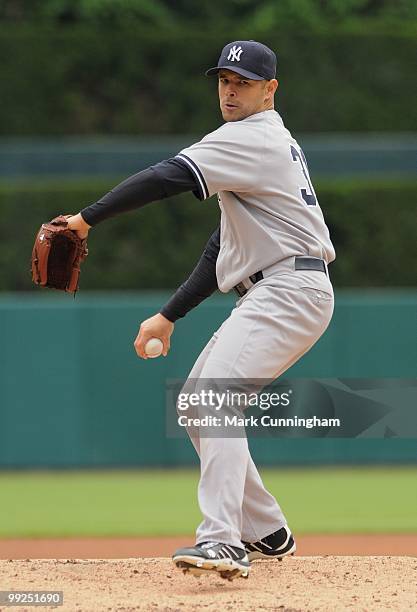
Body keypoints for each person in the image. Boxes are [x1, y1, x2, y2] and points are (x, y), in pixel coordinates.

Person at [67, 40, 335, 581]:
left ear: (270, 89)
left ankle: (222, 540)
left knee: (214, 398)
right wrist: (169, 315)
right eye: (223, 80)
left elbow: (166, 177)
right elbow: (223, 246)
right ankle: (266, 529)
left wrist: (85, 220)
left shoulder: (251, 137)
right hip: (278, 289)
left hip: (289, 288)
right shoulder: (263, 143)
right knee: (197, 404)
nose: (231, 91)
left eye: (243, 81)